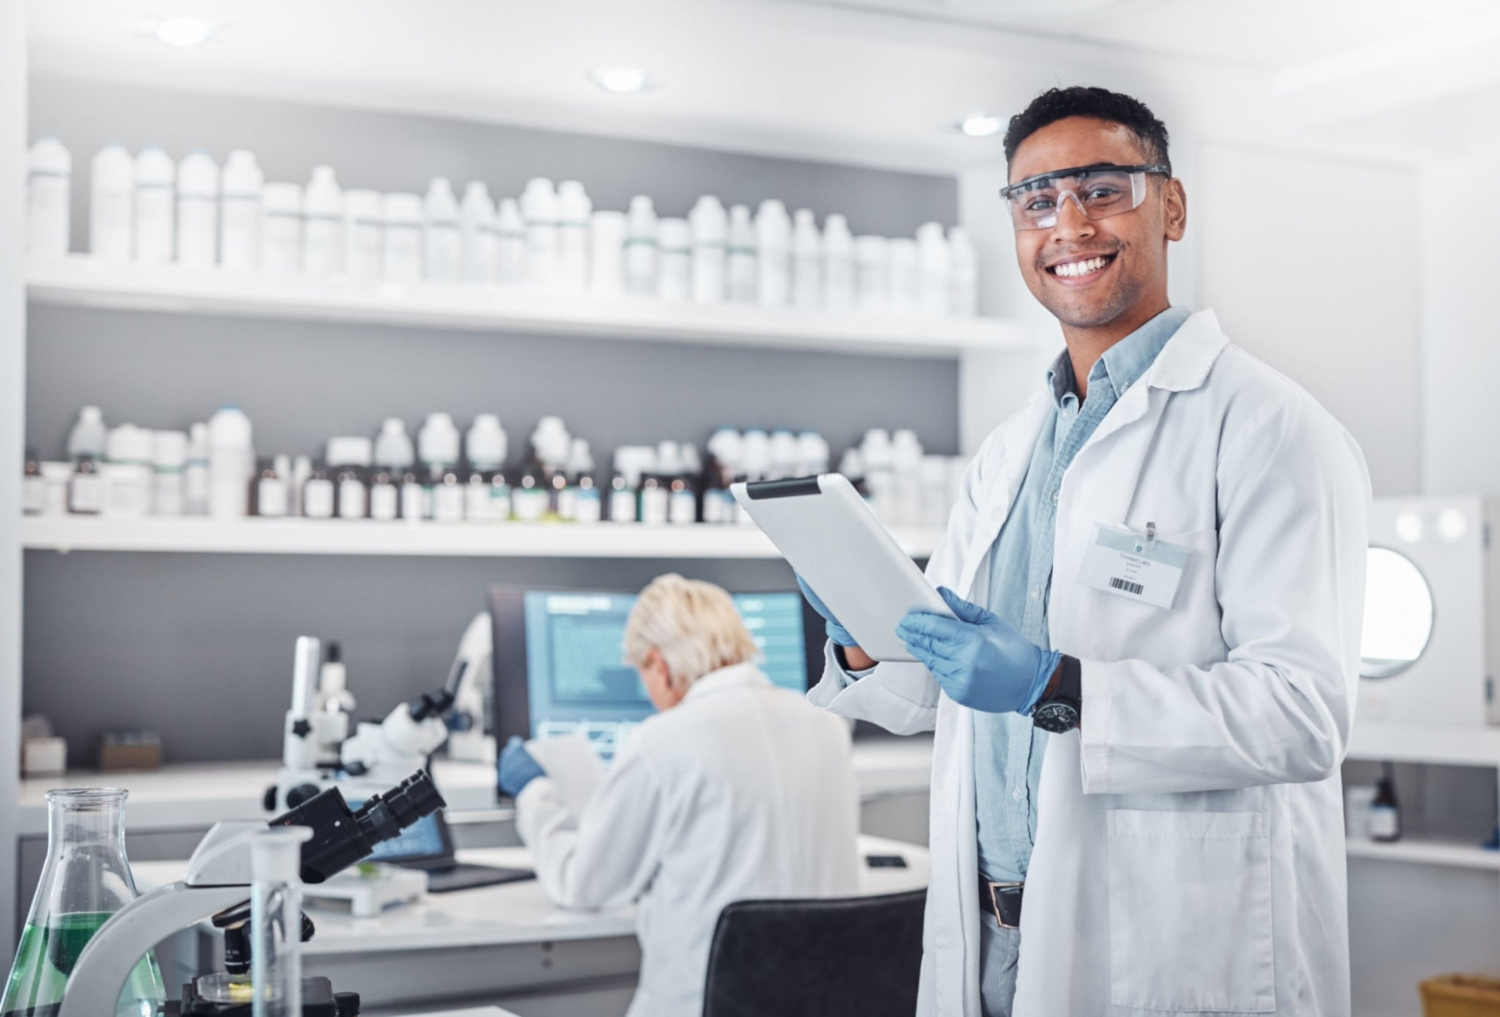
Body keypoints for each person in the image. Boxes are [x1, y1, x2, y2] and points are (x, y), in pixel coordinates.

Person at [801, 86, 1369, 1016]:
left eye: (1103, 189)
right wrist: (869, 636)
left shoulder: (1271, 429)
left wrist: (1057, 686)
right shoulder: (1009, 451)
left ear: (1170, 206)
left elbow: (1302, 714)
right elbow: (946, 687)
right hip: (994, 937)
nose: (1067, 222)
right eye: (1036, 200)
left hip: (1171, 941)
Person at [499, 573, 860, 1017]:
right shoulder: (825, 724)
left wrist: (535, 793)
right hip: (820, 1002)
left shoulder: (662, 740)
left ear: (659, 664)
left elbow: (584, 884)